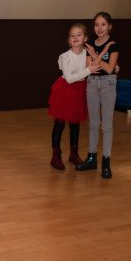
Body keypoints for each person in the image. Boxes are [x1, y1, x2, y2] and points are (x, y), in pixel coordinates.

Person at [48, 23, 101, 170]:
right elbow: (70, 79)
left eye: (79, 35)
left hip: (80, 90)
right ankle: (55, 155)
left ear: (85, 38)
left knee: (75, 123)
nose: (75, 37)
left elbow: (99, 66)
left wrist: (114, 66)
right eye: (72, 35)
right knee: (59, 123)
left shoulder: (87, 54)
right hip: (65, 90)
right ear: (68, 40)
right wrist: (88, 70)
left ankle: (74, 153)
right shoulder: (64, 57)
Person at [76, 12, 120, 178]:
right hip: (92, 83)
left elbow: (109, 69)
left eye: (103, 24)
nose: (99, 28)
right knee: (93, 123)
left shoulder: (113, 45)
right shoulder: (90, 45)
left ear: (110, 26)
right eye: (96, 24)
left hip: (108, 84)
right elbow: (91, 67)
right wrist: (99, 58)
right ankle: (92, 158)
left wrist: (96, 55)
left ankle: (106, 162)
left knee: (106, 125)